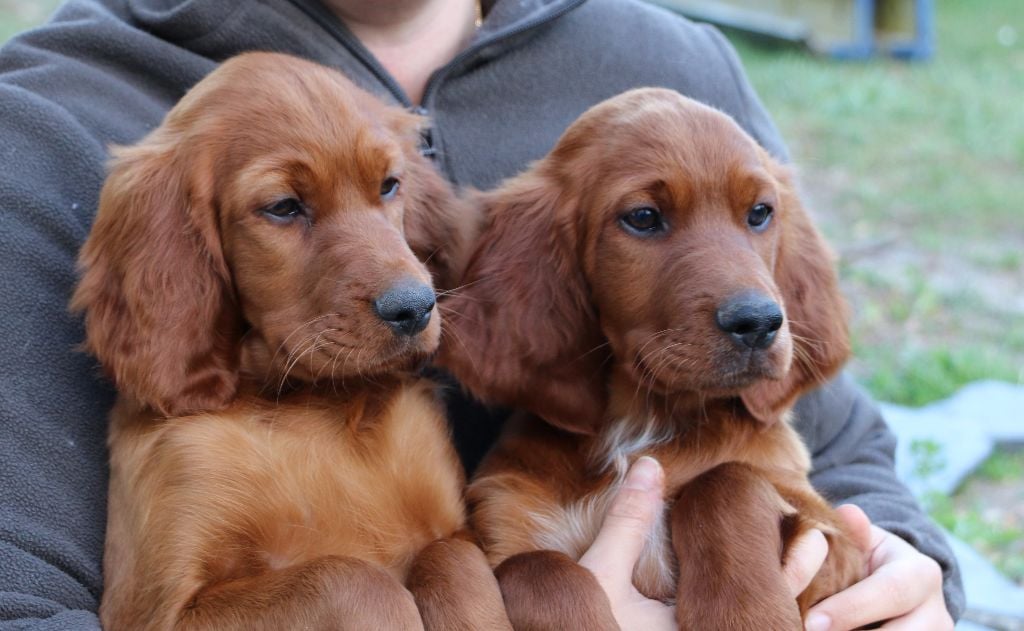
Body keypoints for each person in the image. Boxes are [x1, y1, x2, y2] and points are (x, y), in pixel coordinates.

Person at [0, 0, 961, 629]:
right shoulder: (47, 119)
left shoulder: (667, 56)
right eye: (286, 206)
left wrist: (912, 575)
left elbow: (829, 440)